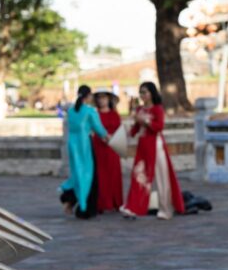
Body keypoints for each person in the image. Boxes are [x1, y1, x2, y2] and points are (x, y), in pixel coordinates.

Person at [120, 82, 186, 220]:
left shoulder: (157, 109)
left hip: (156, 145)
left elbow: (159, 127)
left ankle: (165, 209)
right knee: (138, 176)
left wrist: (145, 121)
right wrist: (127, 133)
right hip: (143, 146)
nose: (143, 95)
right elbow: (135, 129)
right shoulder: (139, 109)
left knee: (162, 177)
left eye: (145, 92)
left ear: (152, 93)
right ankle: (133, 207)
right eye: (141, 93)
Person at [59, 85, 109, 219]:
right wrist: (107, 136)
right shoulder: (89, 111)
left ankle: (69, 199)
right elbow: (98, 128)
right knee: (88, 175)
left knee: (76, 173)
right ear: (89, 96)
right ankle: (84, 207)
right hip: (85, 145)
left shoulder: (71, 111)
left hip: (73, 146)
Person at [92, 91, 124, 212]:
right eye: (99, 98)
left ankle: (116, 202)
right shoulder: (95, 115)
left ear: (109, 99)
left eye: (104, 98)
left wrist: (111, 137)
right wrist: (102, 136)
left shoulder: (115, 115)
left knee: (114, 174)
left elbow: (119, 129)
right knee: (100, 175)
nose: (101, 100)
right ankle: (102, 203)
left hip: (113, 146)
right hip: (99, 146)